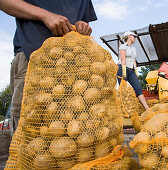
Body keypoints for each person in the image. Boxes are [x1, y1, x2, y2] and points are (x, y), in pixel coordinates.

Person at [0, 0, 97, 135]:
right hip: (32, 58)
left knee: (76, 127)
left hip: (72, 66)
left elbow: (84, 22)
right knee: (28, 129)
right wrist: (45, 16)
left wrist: (83, 26)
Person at [117, 31, 149, 110]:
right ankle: (124, 110)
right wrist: (124, 72)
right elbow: (123, 59)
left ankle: (147, 108)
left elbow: (134, 60)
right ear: (129, 36)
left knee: (138, 89)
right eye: (134, 36)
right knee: (123, 91)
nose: (135, 38)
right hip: (122, 69)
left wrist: (136, 71)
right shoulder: (123, 46)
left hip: (131, 70)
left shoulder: (133, 48)